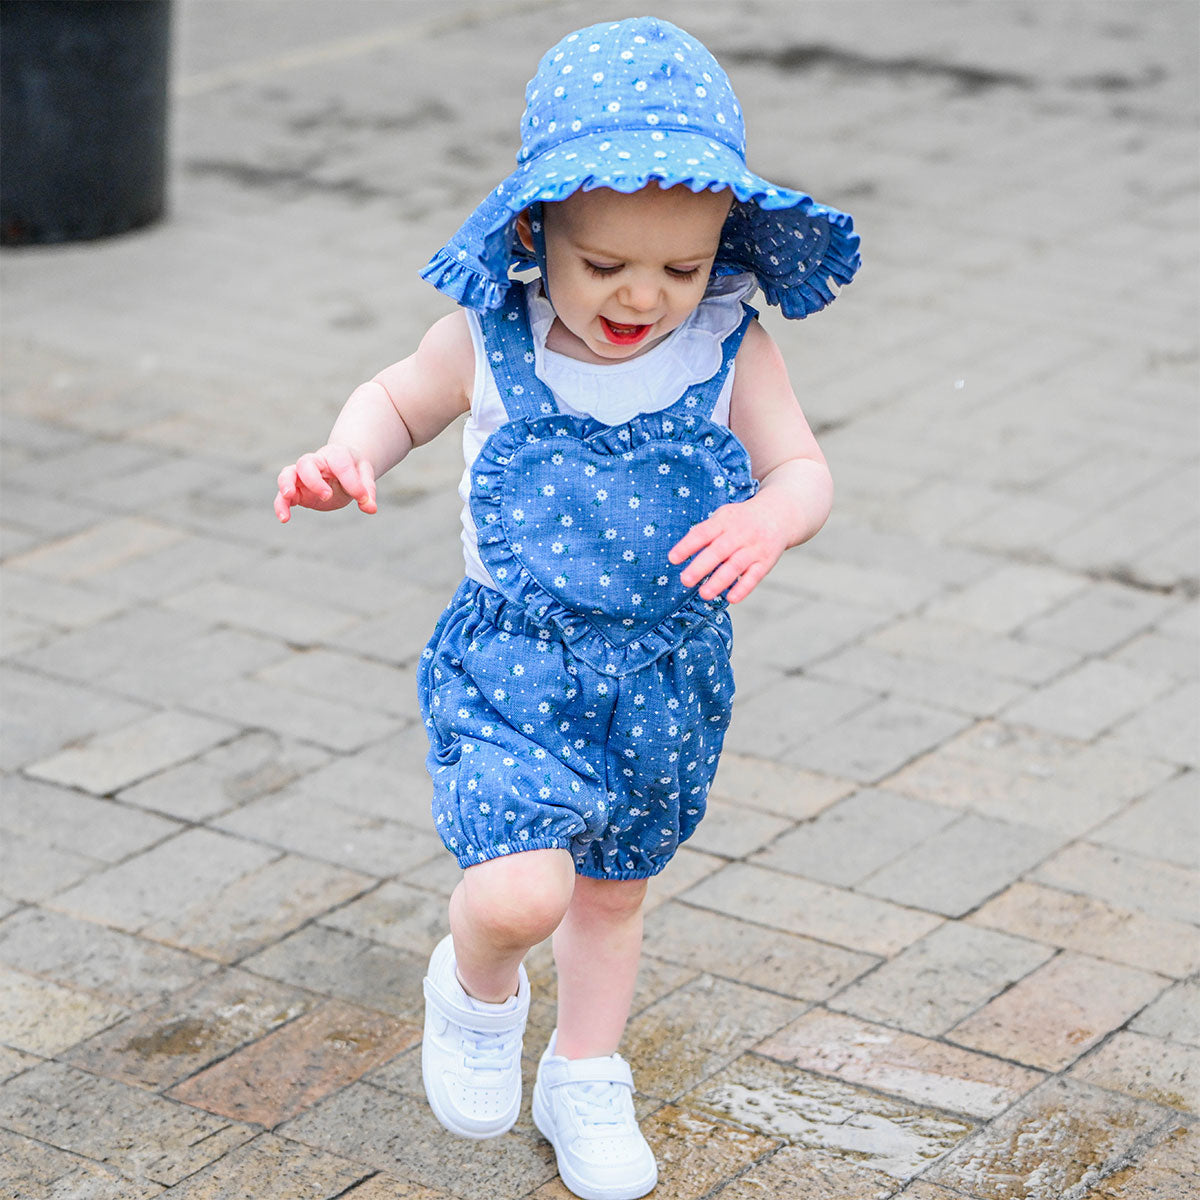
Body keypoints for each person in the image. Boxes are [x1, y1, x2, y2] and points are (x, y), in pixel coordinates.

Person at [275, 16, 858, 1200]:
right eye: (606, 267)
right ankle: (477, 982)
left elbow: (804, 470)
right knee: (521, 891)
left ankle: (585, 1071)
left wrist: (771, 516)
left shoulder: (728, 350)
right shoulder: (486, 341)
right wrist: (348, 453)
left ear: (719, 248)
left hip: (664, 675)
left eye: (682, 268)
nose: (645, 296)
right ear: (538, 233)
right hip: (514, 666)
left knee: (612, 890)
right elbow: (393, 401)